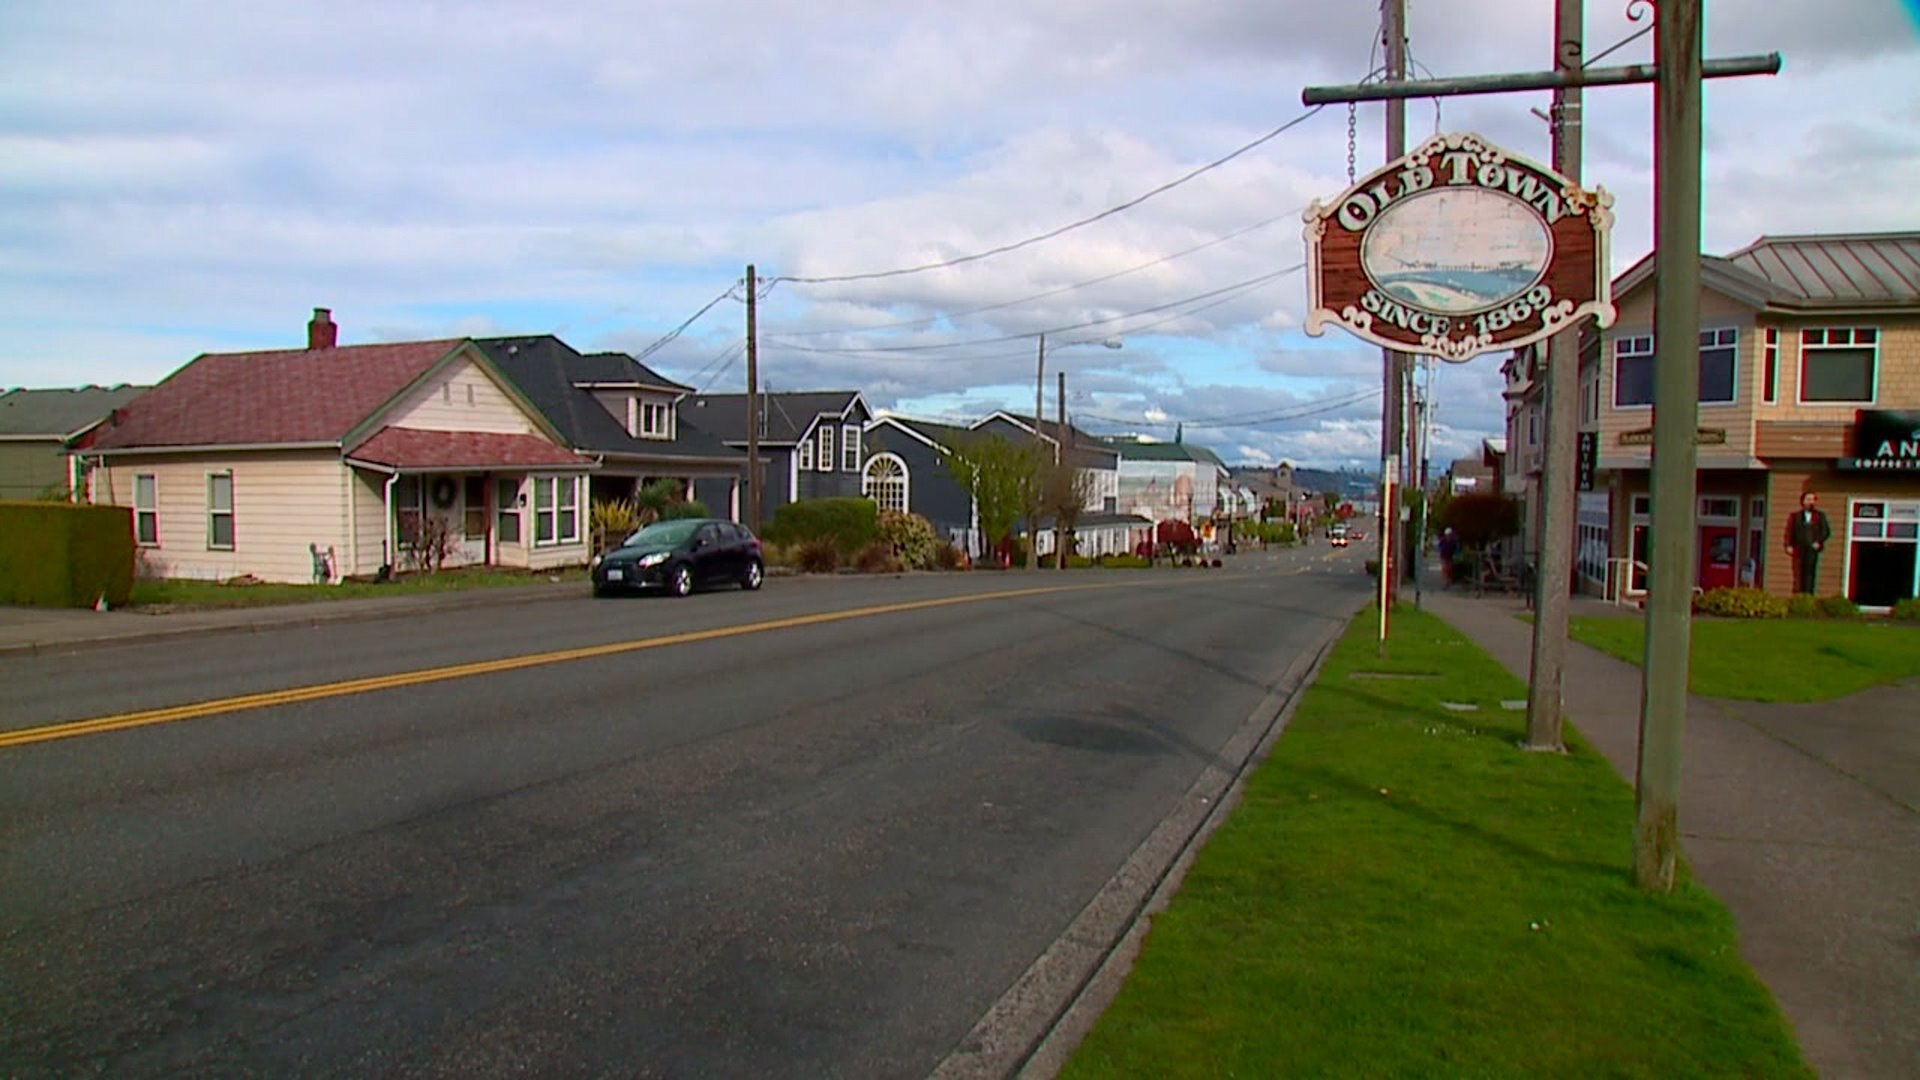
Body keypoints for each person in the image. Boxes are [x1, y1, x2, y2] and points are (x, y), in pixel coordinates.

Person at [1784, 491, 1831, 595]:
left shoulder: (1820, 516)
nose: (1810, 502)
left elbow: (1826, 531)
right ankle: (1799, 595)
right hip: (1799, 549)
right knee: (1798, 574)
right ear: (1803, 501)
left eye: (1812, 500)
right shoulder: (1795, 516)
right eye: (1808, 499)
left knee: (1810, 574)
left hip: (1812, 549)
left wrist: (1818, 541)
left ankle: (1809, 595)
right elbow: (1790, 531)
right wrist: (1789, 545)